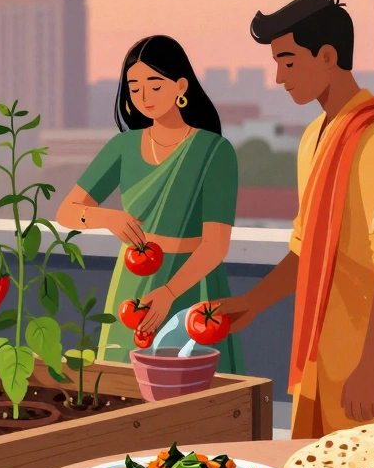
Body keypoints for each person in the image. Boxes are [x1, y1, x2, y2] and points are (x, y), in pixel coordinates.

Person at [216, 0, 374, 437]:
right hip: (319, 348)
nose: (278, 78)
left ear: (327, 56)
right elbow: (305, 249)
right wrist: (252, 303)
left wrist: (371, 365)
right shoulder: (313, 138)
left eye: (288, 62)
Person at [57, 35, 242, 372]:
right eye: (134, 87)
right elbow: (67, 211)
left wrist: (170, 292)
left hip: (193, 282)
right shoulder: (123, 146)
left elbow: (216, 245)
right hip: (133, 285)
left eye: (155, 86)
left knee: (193, 389)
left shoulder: (215, 151)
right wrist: (107, 218)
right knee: (125, 383)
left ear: (180, 86)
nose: (143, 97)